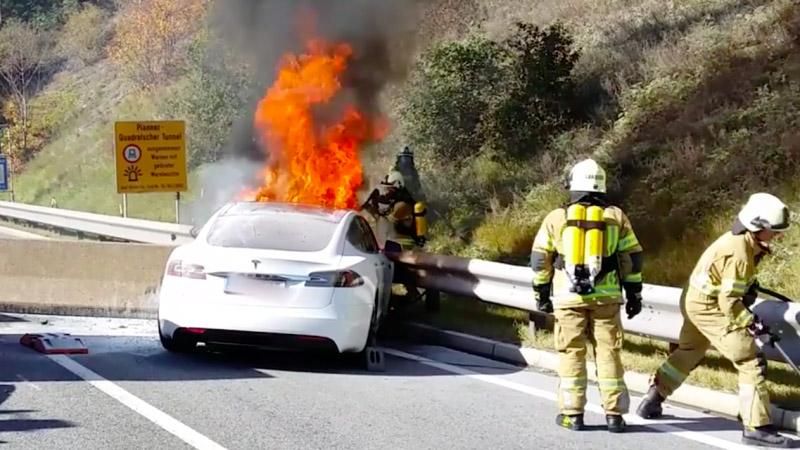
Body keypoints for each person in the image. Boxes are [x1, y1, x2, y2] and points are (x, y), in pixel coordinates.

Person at [636, 192, 791, 448]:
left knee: (689, 351)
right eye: (774, 231)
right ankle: (757, 427)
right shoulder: (739, 253)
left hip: (695, 300)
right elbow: (729, 302)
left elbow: (729, 284)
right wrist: (751, 323)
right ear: (757, 226)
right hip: (709, 307)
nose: (778, 236)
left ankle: (652, 399)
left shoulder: (739, 241)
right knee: (750, 360)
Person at [530, 158, 644, 433]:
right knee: (608, 354)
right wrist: (634, 293)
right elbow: (633, 259)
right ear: (602, 185)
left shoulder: (556, 218)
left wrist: (541, 293)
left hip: (568, 300)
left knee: (572, 353)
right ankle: (615, 416)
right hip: (607, 299)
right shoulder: (616, 216)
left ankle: (573, 414)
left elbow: (539, 260)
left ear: (572, 184)